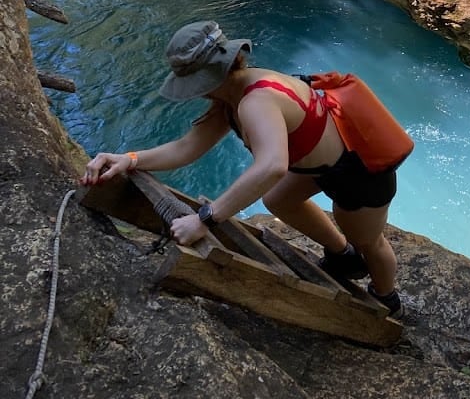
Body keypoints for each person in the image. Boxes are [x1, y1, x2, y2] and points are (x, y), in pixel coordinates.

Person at [81, 20, 404, 317]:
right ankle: (342, 256)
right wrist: (130, 159)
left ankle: (387, 299)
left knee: (369, 243)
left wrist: (205, 218)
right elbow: (186, 148)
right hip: (321, 165)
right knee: (278, 201)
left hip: (358, 175)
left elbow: (272, 166)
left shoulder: (255, 102)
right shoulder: (232, 97)